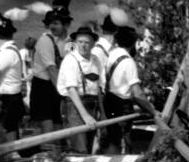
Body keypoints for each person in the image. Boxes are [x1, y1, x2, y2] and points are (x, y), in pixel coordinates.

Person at [99, 26, 158, 155]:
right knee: (123, 142)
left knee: (112, 140)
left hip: (107, 101)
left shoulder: (110, 56)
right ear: (133, 43)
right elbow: (137, 93)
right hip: (121, 106)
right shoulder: (128, 61)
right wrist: (153, 112)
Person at [57, 23, 103, 152]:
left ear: (93, 44)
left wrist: (103, 114)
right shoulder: (71, 60)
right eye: (80, 42)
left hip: (92, 106)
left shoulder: (95, 60)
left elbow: (98, 89)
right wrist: (85, 116)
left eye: (87, 42)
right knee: (79, 149)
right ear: (75, 43)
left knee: (88, 146)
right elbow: (72, 90)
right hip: (74, 107)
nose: (83, 45)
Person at [31, 7, 71, 136]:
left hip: (51, 87)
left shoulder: (57, 41)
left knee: (57, 122)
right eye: (54, 23)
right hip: (43, 87)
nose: (61, 27)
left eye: (58, 23)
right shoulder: (45, 41)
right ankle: (47, 152)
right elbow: (51, 69)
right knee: (47, 125)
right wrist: (63, 91)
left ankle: (57, 151)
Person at [0, 16, 27, 139]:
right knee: (10, 129)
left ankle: (12, 156)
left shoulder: (7, 53)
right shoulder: (10, 50)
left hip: (7, 99)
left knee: (8, 131)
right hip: (11, 98)